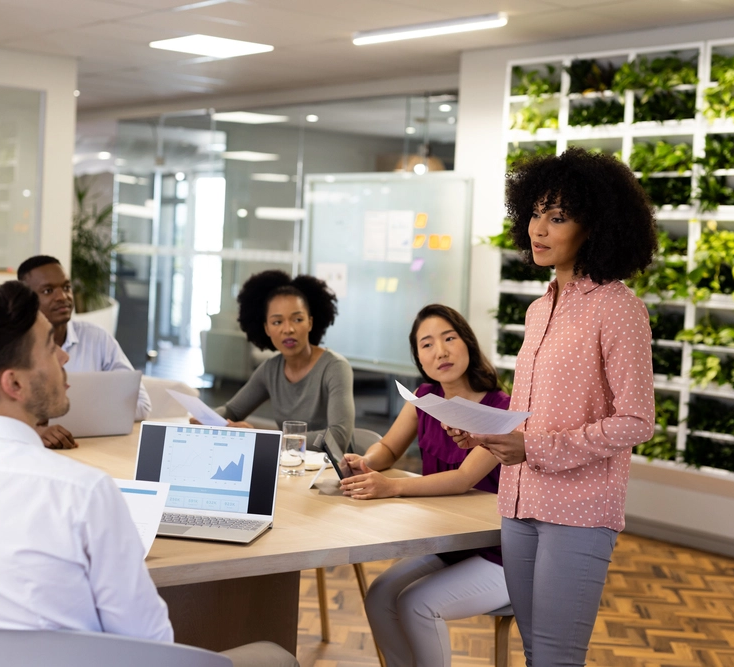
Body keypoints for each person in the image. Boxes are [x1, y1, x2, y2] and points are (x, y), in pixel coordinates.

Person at [0, 281, 297, 667]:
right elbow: (150, 646)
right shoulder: (81, 493)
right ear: (13, 384)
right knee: (276, 657)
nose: (64, 359)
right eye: (50, 347)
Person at [448, 147, 657, 667]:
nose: (539, 229)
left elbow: (637, 420)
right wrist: (486, 434)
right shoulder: (540, 308)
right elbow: (532, 414)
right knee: (536, 650)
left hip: (580, 511)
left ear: (597, 227)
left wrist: (532, 446)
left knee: (557, 657)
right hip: (519, 503)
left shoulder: (619, 307)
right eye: (535, 213)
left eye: (558, 217)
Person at [337, 304, 510, 667]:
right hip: (449, 542)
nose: (441, 351)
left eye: (449, 338)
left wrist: (392, 488)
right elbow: (387, 447)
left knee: (416, 605)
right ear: (418, 356)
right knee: (380, 594)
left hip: (499, 552)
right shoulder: (425, 400)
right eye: (427, 344)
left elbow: (464, 478)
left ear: (468, 342)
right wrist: (366, 462)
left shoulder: (500, 409)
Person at [18, 255, 151, 449]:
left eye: (66, 287)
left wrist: (66, 417)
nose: (63, 297)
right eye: (48, 291)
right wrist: (36, 430)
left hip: (93, 447)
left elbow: (141, 405)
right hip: (33, 449)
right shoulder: (12, 345)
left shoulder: (97, 339)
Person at [213, 270, 354, 449]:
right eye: (277, 322)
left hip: (332, 470)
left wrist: (270, 439)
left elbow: (338, 437)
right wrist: (208, 420)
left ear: (310, 323)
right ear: (266, 329)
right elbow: (232, 410)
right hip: (290, 465)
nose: (288, 329)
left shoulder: (335, 367)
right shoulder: (270, 369)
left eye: (297, 319)